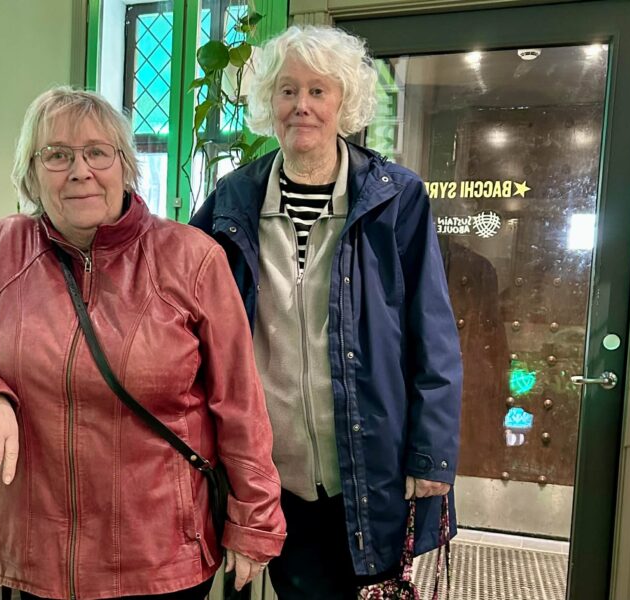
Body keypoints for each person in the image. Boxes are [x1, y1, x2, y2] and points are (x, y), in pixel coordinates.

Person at [0, 86, 285, 600]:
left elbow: (240, 404)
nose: (79, 171)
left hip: (157, 555)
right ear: (31, 173)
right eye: (56, 155)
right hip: (35, 551)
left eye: (97, 153)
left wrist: (255, 521)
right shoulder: (2, 248)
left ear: (125, 165)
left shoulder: (191, 258)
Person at [190, 25, 463, 599]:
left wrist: (431, 455)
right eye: (288, 90)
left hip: (372, 466)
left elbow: (433, 334)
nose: (302, 105)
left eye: (318, 91)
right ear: (269, 101)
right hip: (274, 475)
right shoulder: (232, 200)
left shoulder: (395, 198)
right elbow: (183, 307)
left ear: (345, 101)